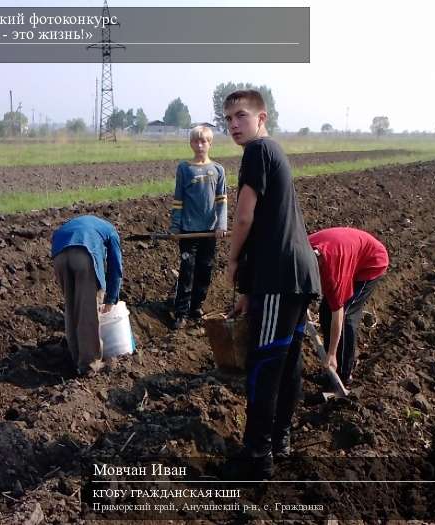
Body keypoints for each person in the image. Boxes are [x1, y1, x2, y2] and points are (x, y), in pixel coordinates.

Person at [224, 90, 321, 479]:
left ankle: (257, 457)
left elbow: (245, 218)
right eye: (227, 118)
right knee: (288, 361)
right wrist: (249, 290)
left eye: (240, 116)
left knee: (263, 365)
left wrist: (231, 260)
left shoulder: (257, 152)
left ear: (261, 117)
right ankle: (280, 439)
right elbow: (268, 227)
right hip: (297, 274)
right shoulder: (275, 152)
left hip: (280, 278)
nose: (233, 125)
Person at [308, 227, 389, 388]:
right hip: (349, 251)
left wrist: (331, 353)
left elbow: (338, 312)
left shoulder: (333, 273)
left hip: (371, 263)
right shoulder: (301, 250)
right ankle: (331, 369)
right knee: (325, 311)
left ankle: (344, 374)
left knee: (346, 315)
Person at [169, 125, 228, 329]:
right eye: (196, 141)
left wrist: (221, 224)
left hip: (209, 231)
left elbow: (221, 201)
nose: (200, 145)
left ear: (210, 143)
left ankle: (196, 306)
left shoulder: (218, 170)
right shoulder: (185, 169)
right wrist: (175, 227)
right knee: (187, 270)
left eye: (203, 141)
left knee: (205, 269)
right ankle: (181, 312)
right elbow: (179, 200)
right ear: (191, 144)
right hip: (188, 231)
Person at [51, 215, 123, 375]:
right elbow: (115, 268)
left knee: (71, 309)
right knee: (87, 311)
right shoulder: (112, 232)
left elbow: (56, 235)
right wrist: (111, 298)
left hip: (59, 255)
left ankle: (76, 358)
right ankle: (90, 364)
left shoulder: (84, 223)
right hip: (84, 253)